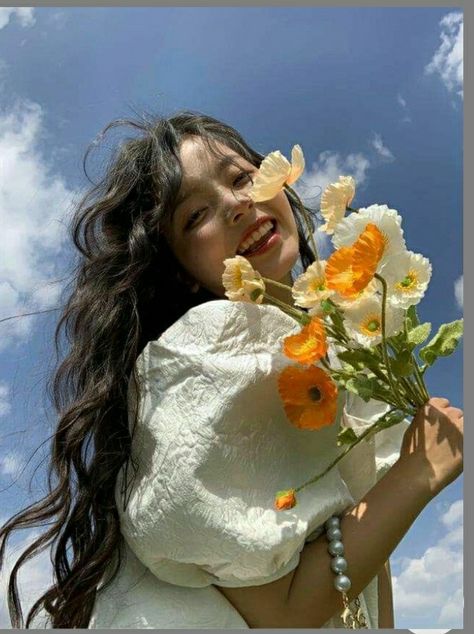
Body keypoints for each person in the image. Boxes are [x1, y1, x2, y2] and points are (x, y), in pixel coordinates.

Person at [0, 111, 463, 629]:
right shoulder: (204, 357)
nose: (237, 204)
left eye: (243, 177)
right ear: (182, 270)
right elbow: (284, 614)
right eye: (194, 216)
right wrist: (418, 472)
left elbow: (366, 564)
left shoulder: (325, 342)